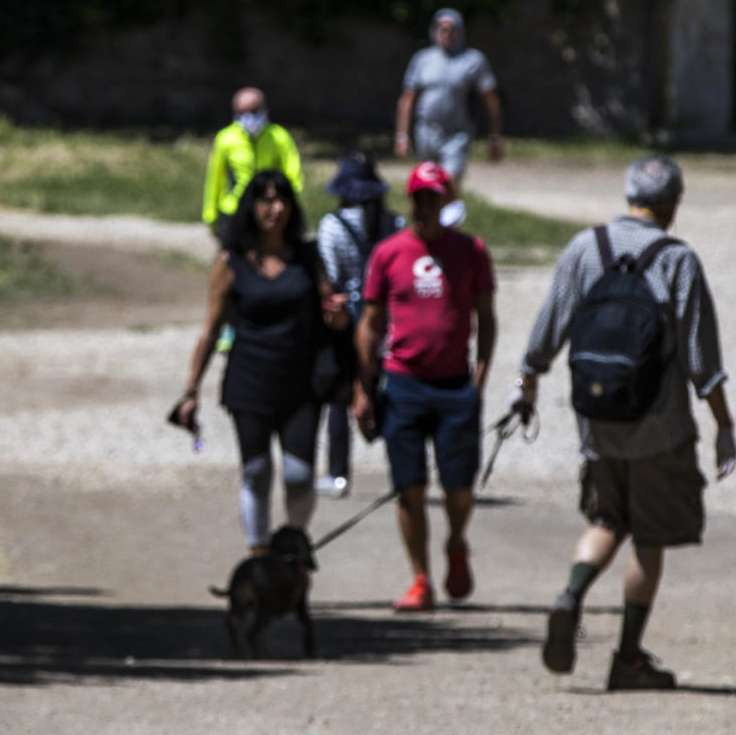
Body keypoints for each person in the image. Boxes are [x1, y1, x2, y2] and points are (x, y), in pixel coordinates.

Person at [515, 156, 735, 691]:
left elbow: (548, 328)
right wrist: (724, 425)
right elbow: (701, 358)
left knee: (607, 519)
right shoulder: (677, 260)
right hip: (658, 425)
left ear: (627, 193)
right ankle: (628, 657)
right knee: (649, 537)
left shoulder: (585, 247)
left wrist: (528, 381)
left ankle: (571, 594)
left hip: (599, 418)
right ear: (673, 203)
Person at [173, 170, 349, 550]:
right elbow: (211, 329)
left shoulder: (308, 257)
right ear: (252, 207)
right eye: (267, 200)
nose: (276, 209)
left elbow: (331, 312)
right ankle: (258, 555)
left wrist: (337, 315)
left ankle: (293, 548)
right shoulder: (231, 263)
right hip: (250, 380)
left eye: (283, 200)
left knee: (299, 475)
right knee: (256, 472)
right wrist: (191, 391)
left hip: (301, 384)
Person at [354, 163, 497, 612]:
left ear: (447, 201)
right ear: (409, 200)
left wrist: (480, 374)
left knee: (459, 488)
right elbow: (370, 324)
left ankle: (456, 541)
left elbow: (486, 318)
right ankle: (420, 578)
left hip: (455, 387)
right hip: (403, 384)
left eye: (433, 197)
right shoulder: (388, 253)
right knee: (409, 487)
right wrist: (362, 388)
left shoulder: (471, 251)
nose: (425, 206)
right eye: (418, 197)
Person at [314, 151, 403, 496]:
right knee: (389, 390)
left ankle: (338, 473)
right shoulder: (395, 225)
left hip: (349, 321)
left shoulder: (333, 226)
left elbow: (331, 277)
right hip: (389, 320)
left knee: (341, 397)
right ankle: (402, 471)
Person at [395, 9, 504, 180]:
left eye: (452, 29)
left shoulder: (473, 60)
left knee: (449, 182)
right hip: (426, 130)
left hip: (457, 133)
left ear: (460, 31)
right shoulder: (423, 59)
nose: (447, 34)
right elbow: (408, 98)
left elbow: (490, 99)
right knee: (426, 185)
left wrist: (495, 136)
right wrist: (402, 135)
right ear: (435, 31)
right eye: (442, 29)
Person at [200, 86, 304, 242]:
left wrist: (284, 203)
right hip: (234, 211)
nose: (249, 118)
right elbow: (215, 180)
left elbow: (293, 175)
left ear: (265, 109)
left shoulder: (279, 137)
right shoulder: (225, 139)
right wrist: (211, 217)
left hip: (269, 212)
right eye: (242, 112)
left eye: (254, 111)